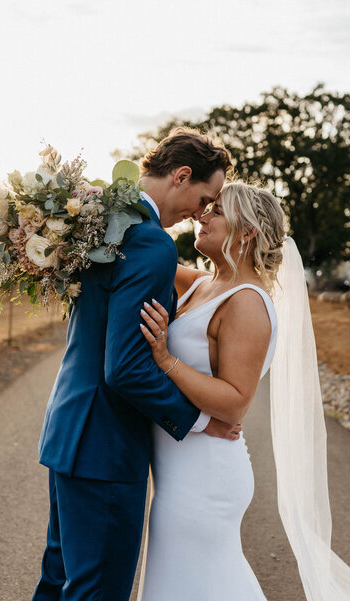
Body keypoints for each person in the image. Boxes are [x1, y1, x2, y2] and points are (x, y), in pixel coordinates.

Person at [32, 128, 237, 601]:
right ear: (181, 175)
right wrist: (199, 419)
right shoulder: (149, 243)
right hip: (106, 446)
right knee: (97, 591)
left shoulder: (101, 220)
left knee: (60, 580)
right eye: (204, 198)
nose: (200, 213)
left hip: (70, 431)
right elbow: (124, 367)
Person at [138, 181, 350, 601]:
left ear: (247, 231)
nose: (202, 215)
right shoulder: (203, 284)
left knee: (200, 583)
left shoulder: (248, 303)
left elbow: (235, 403)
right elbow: (143, 253)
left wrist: (166, 360)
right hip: (180, 469)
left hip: (206, 475)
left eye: (216, 210)